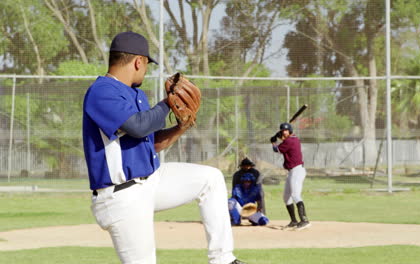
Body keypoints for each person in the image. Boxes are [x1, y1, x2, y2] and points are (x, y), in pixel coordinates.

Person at [82, 31, 247, 264]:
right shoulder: (101, 91)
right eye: (146, 64)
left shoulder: (135, 94)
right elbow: (137, 127)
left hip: (151, 181)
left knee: (210, 179)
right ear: (138, 61)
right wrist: (168, 103)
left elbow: (150, 143)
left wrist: (181, 127)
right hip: (121, 195)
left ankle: (223, 259)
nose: (146, 69)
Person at [270, 123, 310, 230]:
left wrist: (273, 142)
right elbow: (284, 143)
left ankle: (304, 220)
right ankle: (293, 221)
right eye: (283, 130)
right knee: (286, 197)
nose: (284, 132)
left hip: (297, 170)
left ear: (290, 131)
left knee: (295, 195)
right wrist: (279, 138)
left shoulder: (290, 140)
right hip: (292, 171)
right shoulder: (290, 139)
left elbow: (276, 149)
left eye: (286, 130)